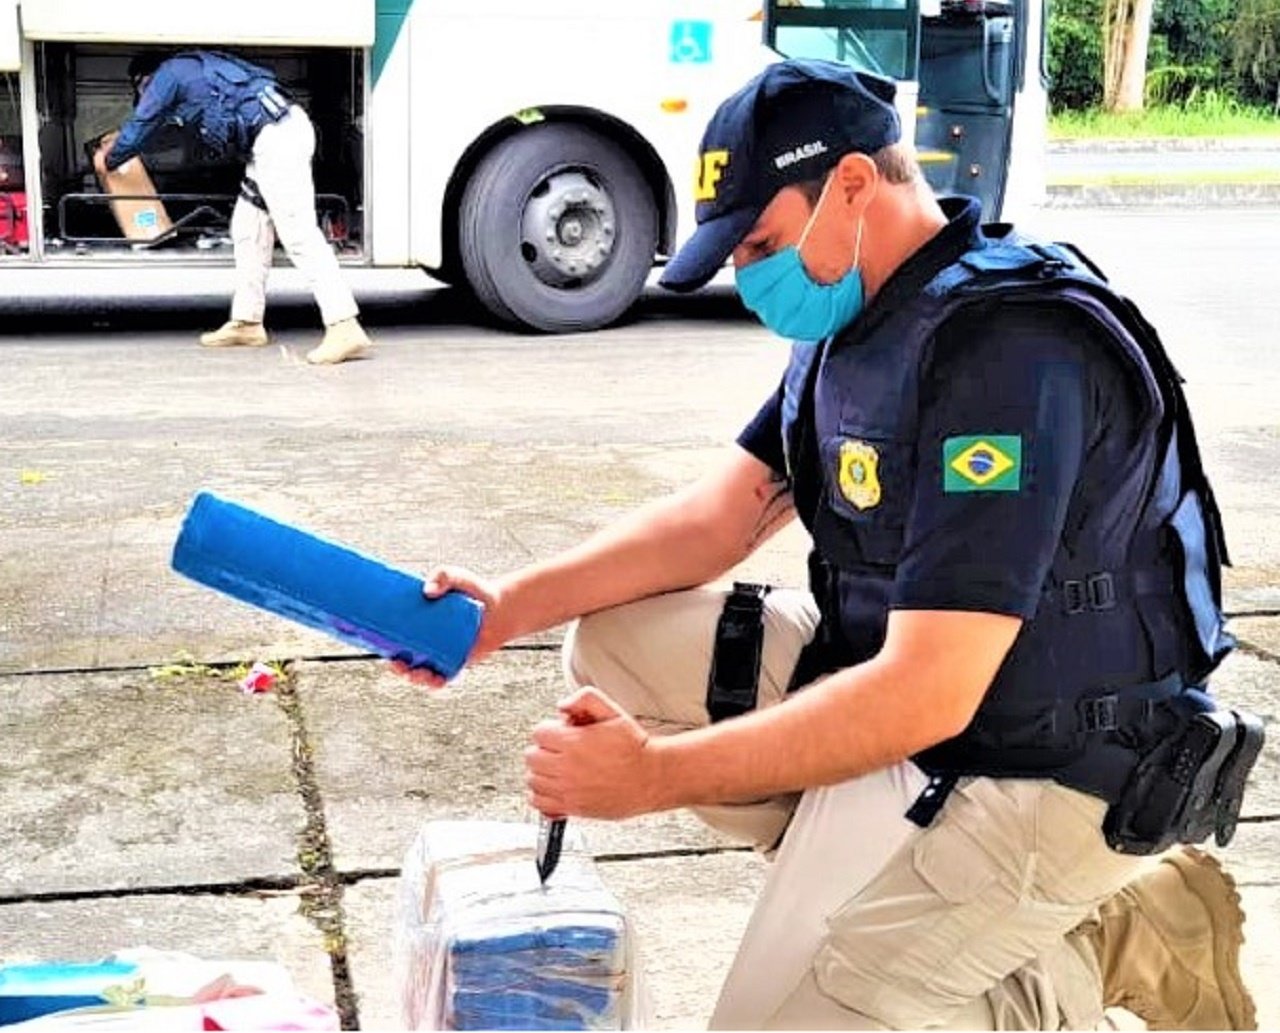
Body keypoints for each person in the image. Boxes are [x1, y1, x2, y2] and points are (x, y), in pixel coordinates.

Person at [395, 59, 1258, 1030]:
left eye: (759, 242)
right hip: (930, 718)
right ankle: (945, 916)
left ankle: (1089, 943)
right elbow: (716, 519)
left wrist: (652, 778)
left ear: (850, 184)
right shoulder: (862, 321)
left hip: (1051, 768)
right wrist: (502, 608)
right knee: (613, 642)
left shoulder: (1005, 355)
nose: (746, 275)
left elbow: (925, 689)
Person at [97, 51, 372, 365]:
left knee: (298, 235)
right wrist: (127, 140)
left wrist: (109, 159)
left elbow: (144, 121)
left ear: (143, 79)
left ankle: (344, 325)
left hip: (276, 140)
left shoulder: (166, 76)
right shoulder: (194, 70)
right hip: (275, 136)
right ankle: (248, 321)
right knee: (247, 226)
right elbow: (166, 127)